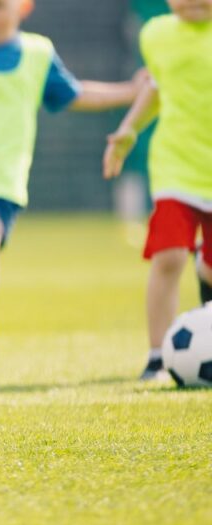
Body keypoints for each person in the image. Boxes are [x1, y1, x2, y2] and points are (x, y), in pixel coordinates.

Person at [0, 0, 144, 362]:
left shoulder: (38, 55)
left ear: (22, 7)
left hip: (1, 179)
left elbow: (76, 94)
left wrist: (129, 91)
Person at [103, 0, 212, 381]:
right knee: (168, 258)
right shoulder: (158, 34)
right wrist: (130, 130)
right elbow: (157, 87)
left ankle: (205, 265)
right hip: (176, 169)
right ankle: (156, 355)